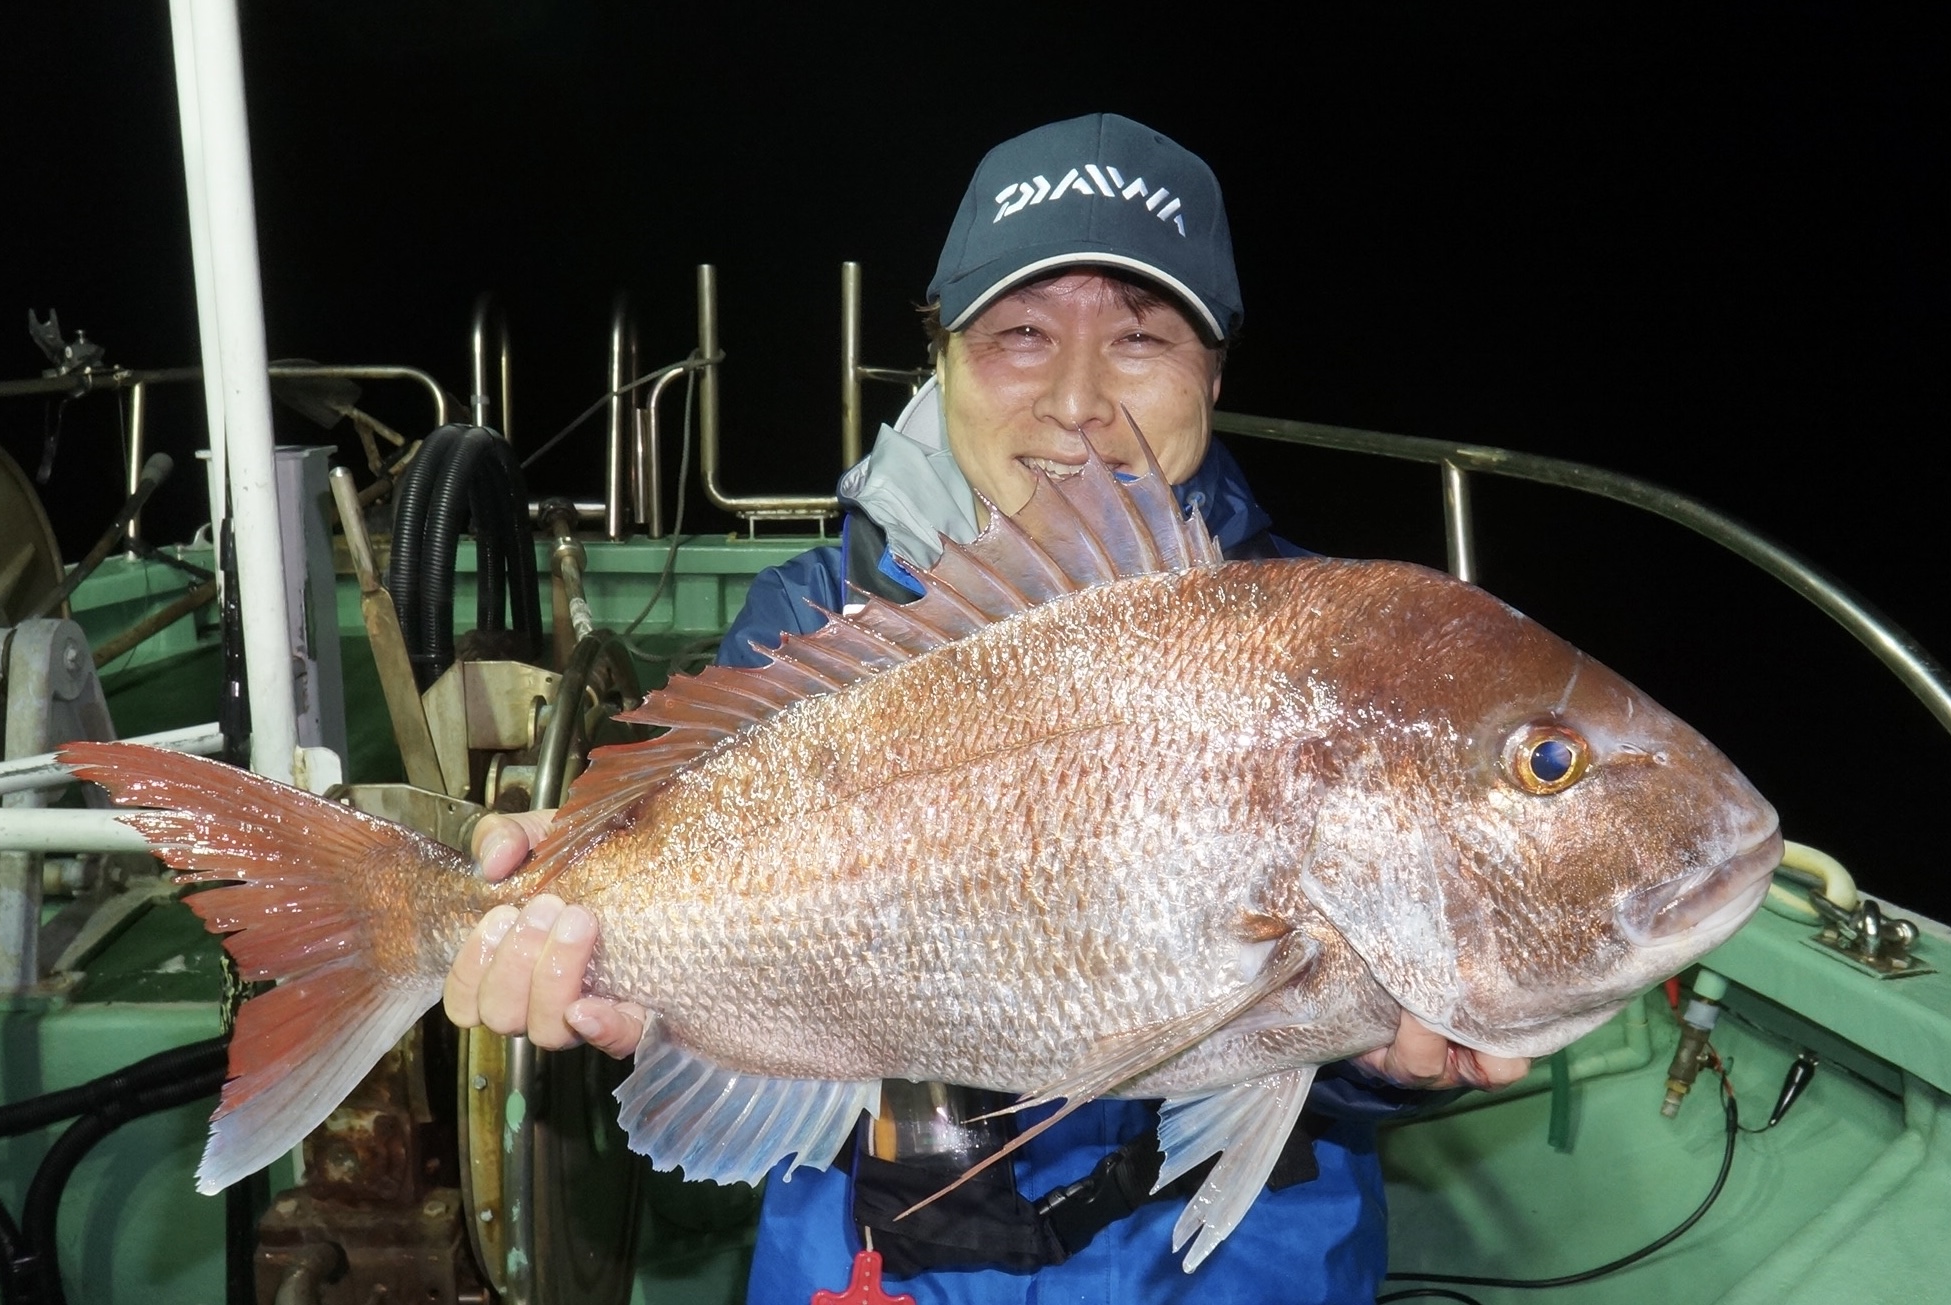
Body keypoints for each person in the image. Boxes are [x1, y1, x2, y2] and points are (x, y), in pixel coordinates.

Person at [444, 113, 1528, 1303]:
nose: (1076, 400)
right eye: (1019, 335)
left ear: (1212, 372)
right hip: (888, 1258)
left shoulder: (1326, 652)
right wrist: (585, 915)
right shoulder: (814, 617)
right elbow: (710, 897)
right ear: (943, 357)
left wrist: (1375, 1062)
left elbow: (1307, 1004)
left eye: (1139, 337)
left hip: (1238, 1258)